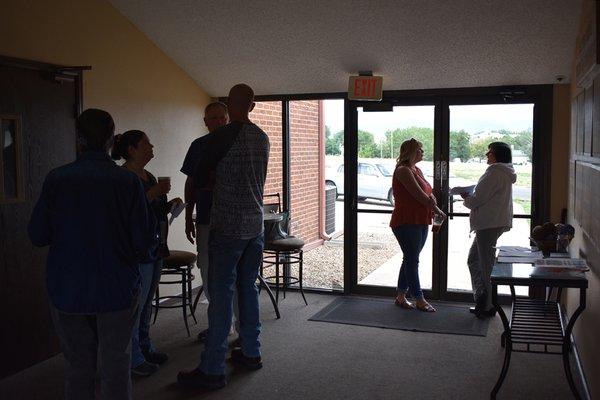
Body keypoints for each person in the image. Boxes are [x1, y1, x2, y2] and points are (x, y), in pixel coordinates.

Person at [28, 109, 157, 400]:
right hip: (117, 288)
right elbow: (144, 242)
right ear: (112, 139)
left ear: (79, 139)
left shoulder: (57, 180)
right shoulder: (128, 182)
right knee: (116, 365)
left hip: (68, 289)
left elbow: (37, 235)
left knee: (77, 367)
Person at [178, 84, 270, 390]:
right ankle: (251, 351)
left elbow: (200, 179)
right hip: (254, 227)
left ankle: (213, 368)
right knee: (248, 287)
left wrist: (216, 178)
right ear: (253, 106)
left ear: (229, 105)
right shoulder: (263, 137)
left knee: (220, 295)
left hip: (227, 226)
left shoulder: (219, 137)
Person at [110, 130, 182, 375]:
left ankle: (145, 347)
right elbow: (126, 211)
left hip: (155, 246)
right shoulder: (122, 176)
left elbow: (152, 209)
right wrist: (153, 193)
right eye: (146, 144)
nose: (152, 147)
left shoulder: (148, 175)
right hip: (137, 250)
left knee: (147, 302)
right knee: (136, 305)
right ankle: (134, 360)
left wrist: (170, 204)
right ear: (131, 149)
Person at [181, 102, 239, 343]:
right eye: (212, 118)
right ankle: (218, 324)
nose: (217, 122)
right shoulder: (198, 146)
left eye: (221, 117)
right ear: (205, 121)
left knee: (232, 275)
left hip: (233, 220)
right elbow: (191, 182)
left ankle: (235, 326)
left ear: (227, 118)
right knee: (208, 272)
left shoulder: (237, 144)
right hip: (205, 218)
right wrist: (188, 216)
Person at [462, 142, 516, 318]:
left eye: (490, 152)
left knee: (485, 266)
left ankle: (487, 305)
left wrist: (466, 197)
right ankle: (483, 298)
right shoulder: (506, 172)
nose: (487, 155)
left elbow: (478, 199)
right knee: (476, 260)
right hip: (496, 222)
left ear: (497, 155)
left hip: (487, 224)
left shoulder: (494, 172)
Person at [390, 138, 443, 313]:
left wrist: (432, 201)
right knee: (413, 260)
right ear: (411, 152)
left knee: (409, 259)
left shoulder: (416, 169)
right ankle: (419, 298)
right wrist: (437, 208)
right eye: (420, 149)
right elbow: (419, 195)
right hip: (406, 221)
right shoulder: (403, 170)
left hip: (420, 219)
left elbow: (428, 192)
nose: (423, 152)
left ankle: (400, 296)